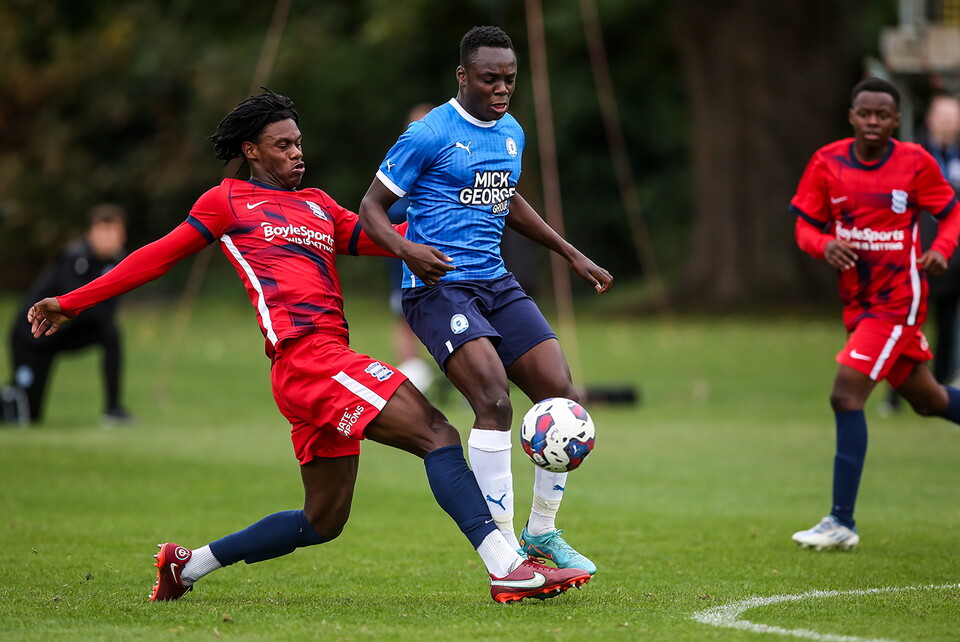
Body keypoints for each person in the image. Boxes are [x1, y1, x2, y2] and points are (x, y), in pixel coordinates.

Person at [26, 90, 591, 602]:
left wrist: (448, 210)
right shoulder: (226, 202)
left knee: (322, 521)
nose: (298, 152)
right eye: (283, 144)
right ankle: (504, 564)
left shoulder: (318, 205)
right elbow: (156, 256)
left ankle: (187, 565)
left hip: (319, 369)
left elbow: (380, 238)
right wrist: (72, 301)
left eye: (299, 142)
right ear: (251, 150)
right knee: (437, 433)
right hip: (307, 359)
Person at [358, 26, 612, 574]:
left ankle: (541, 534)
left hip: (496, 283)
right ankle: (505, 551)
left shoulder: (512, 131)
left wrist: (571, 253)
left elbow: (507, 196)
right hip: (437, 288)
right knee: (494, 400)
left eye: (509, 80)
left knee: (561, 394)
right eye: (489, 78)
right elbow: (371, 208)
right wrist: (408, 250)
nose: (501, 89)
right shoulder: (428, 134)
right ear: (463, 76)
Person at [790, 77, 960, 550]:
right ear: (852, 116)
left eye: (882, 115)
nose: (873, 122)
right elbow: (805, 227)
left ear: (896, 121)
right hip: (858, 304)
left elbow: (952, 212)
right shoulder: (827, 162)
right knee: (928, 400)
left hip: (897, 302)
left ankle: (841, 521)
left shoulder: (915, 163)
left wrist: (943, 248)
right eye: (865, 113)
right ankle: (841, 521)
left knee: (846, 395)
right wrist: (825, 245)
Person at [5, 204, 131, 425]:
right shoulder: (74, 260)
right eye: (102, 231)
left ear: (122, 235)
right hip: (32, 337)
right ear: (90, 234)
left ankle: (114, 409)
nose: (107, 238)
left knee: (110, 334)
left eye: (113, 232)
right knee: (26, 414)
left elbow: (102, 314)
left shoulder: (120, 263)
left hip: (65, 332)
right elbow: (76, 307)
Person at [880, 93, 960, 415]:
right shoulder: (912, 157)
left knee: (948, 328)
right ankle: (894, 398)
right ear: (929, 119)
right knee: (905, 328)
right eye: (941, 116)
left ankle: (938, 394)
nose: (947, 122)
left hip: (953, 260)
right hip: (914, 258)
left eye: (953, 116)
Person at [385, 103, 436, 393]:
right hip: (405, 264)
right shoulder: (401, 162)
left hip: (450, 263)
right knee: (403, 318)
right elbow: (383, 208)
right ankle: (412, 379)